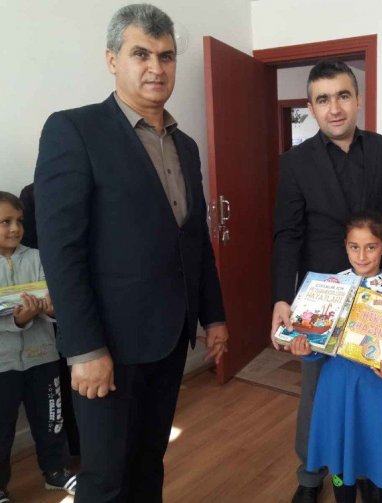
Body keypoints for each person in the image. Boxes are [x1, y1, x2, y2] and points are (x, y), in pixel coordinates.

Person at [34, 4, 229, 501]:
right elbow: (62, 250)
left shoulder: (186, 146)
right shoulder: (75, 131)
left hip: (170, 338)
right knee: (105, 479)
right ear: (112, 59)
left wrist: (214, 316)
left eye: (166, 56)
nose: (156, 68)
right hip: (109, 348)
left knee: (149, 463)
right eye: (141, 54)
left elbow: (194, 239)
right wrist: (85, 350)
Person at [270, 59, 382, 503]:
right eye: (323, 99)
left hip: (376, 296)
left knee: (369, 386)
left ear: (358, 99)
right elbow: (288, 234)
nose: (335, 108)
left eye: (343, 96)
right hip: (322, 299)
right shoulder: (295, 162)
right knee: (317, 392)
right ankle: (310, 477)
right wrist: (282, 298)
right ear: (311, 107)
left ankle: (363, 466)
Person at [287, 210, 382, 503]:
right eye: (354, 247)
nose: (361, 256)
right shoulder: (329, 289)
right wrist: (306, 351)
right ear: (345, 247)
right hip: (337, 388)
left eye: (371, 247)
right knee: (341, 450)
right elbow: (317, 343)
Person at [0, 191, 76, 503]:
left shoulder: (38, 257)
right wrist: (17, 321)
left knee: (51, 419)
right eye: (5, 222)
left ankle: (56, 471)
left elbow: (58, 302)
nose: (15, 228)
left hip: (43, 358)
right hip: (2, 366)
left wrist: (52, 309)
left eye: (19, 221)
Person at [18, 182, 80, 458]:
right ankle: (74, 448)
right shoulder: (34, 193)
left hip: (91, 292)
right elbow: (33, 250)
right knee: (65, 379)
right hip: (52, 299)